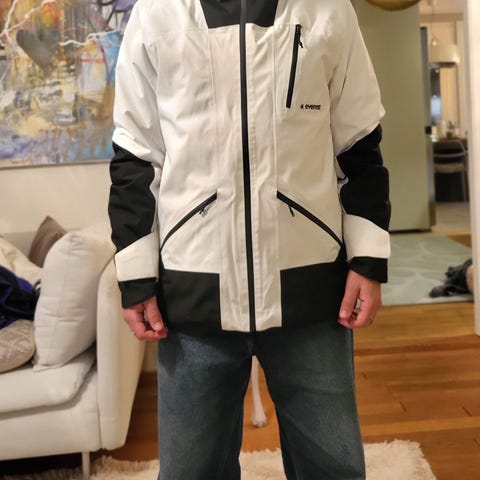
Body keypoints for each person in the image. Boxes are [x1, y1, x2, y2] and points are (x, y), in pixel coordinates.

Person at [108, 0, 391, 478]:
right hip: (194, 296)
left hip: (311, 292)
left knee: (333, 469)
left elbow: (359, 141)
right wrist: (135, 277)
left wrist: (367, 259)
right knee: (191, 473)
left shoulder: (328, 10)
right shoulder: (157, 13)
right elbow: (135, 156)